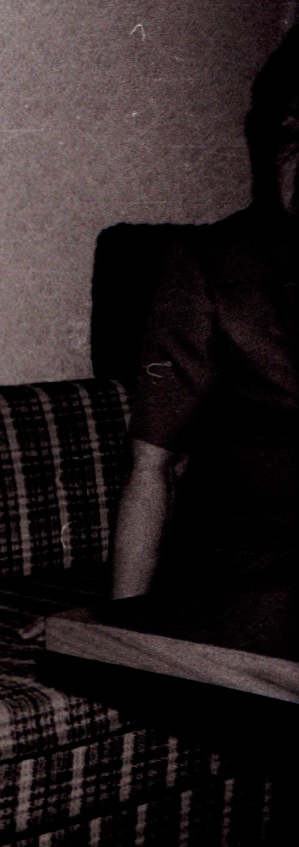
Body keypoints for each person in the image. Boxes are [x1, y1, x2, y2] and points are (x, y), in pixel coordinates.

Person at [110, 28, 298, 600]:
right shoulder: (210, 266)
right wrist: (121, 628)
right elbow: (152, 468)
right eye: (290, 136)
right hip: (239, 574)